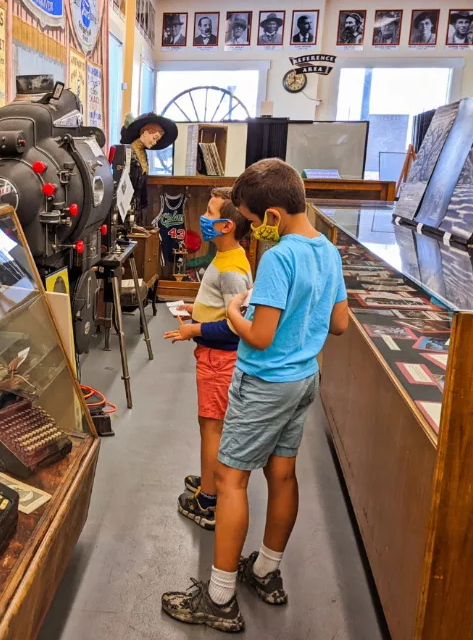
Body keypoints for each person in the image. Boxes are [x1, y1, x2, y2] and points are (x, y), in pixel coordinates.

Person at [161, 159, 349, 633]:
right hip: (303, 379)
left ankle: (220, 597)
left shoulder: (281, 256)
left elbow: (260, 336)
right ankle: (265, 571)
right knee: (283, 475)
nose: (248, 225)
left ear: (271, 217)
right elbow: (340, 323)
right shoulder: (327, 251)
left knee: (230, 481)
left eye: (248, 215)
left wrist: (233, 310)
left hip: (264, 382)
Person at [164, 188, 252, 531]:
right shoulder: (228, 255)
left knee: (211, 427)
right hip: (214, 356)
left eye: (211, 213)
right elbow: (222, 304)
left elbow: (235, 327)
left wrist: (194, 329)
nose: (204, 218)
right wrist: (193, 309)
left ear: (227, 225)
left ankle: (209, 499)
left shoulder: (231, 269)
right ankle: (208, 479)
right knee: (209, 425)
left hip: (219, 360)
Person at [120, 112, 178, 223]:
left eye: (157, 140)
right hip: (126, 207)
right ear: (145, 133)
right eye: (154, 138)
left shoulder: (143, 153)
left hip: (138, 207)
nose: (155, 142)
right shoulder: (128, 152)